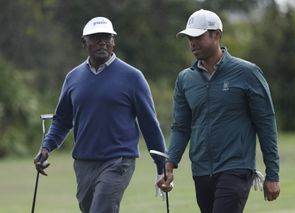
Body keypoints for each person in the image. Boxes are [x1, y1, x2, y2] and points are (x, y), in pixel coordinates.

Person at [34, 16, 167, 213]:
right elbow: (62, 120)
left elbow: (149, 123)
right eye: (95, 38)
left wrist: (161, 166)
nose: (102, 42)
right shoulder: (73, 78)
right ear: (84, 42)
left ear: (114, 41)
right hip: (84, 163)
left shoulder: (133, 77)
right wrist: (46, 147)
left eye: (107, 37)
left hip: (119, 161)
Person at [157, 9, 280, 213]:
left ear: (217, 34)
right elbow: (180, 126)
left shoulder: (247, 73)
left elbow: (266, 123)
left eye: (198, 36)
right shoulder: (185, 79)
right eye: (189, 38)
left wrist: (273, 174)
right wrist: (170, 164)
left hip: (236, 168)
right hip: (201, 171)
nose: (192, 43)